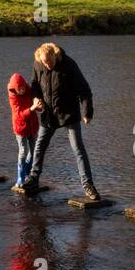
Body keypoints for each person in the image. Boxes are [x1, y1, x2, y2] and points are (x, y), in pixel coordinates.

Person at [21, 42, 100, 200]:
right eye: (45, 63)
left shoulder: (69, 65)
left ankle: (88, 185)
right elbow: (35, 84)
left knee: (78, 149)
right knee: (39, 147)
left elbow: (84, 90)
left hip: (69, 114)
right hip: (48, 115)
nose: (47, 65)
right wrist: (36, 99)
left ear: (55, 56)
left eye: (50, 62)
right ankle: (33, 180)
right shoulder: (38, 64)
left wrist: (87, 113)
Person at [8, 73, 40, 186]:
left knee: (33, 151)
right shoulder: (13, 98)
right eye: (19, 89)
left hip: (32, 126)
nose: (22, 90)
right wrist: (32, 108)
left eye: (23, 88)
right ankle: (20, 178)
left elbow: (36, 101)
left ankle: (27, 172)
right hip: (20, 128)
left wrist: (39, 105)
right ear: (15, 89)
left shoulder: (29, 90)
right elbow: (20, 115)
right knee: (23, 151)